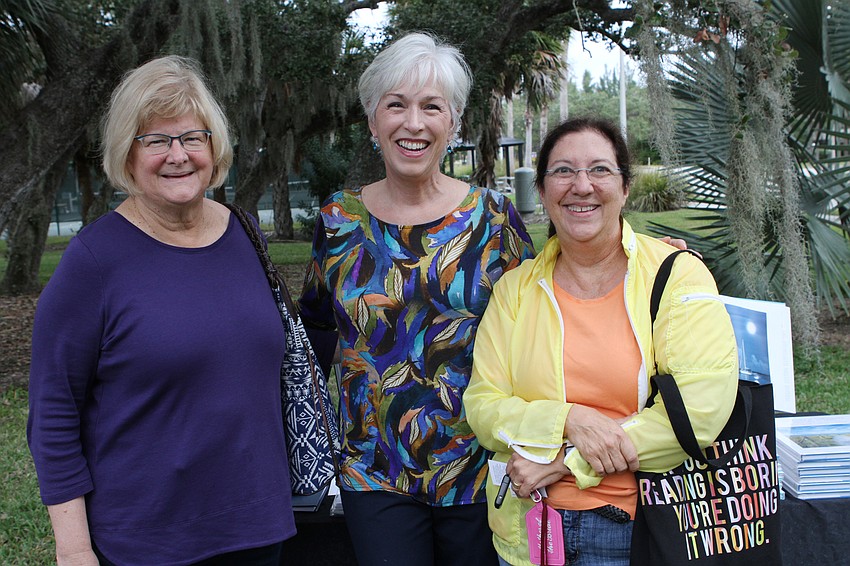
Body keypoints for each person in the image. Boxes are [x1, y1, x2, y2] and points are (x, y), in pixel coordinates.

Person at [27, 55, 295, 566]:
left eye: (193, 137)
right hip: (146, 541)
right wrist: (75, 548)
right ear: (127, 156)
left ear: (214, 148)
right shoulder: (93, 262)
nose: (179, 155)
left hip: (257, 527)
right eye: (155, 140)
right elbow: (53, 413)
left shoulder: (244, 234)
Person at [297, 32, 536, 565]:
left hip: (481, 468)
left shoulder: (494, 219)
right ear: (372, 120)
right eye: (396, 105)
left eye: (432, 107)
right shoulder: (339, 220)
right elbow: (311, 332)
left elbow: (542, 325)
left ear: (453, 124)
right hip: (373, 470)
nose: (414, 123)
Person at [463, 117, 739, 566]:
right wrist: (569, 420)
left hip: (639, 529)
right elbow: (483, 405)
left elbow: (699, 411)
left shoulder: (674, 275)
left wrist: (564, 463)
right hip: (529, 529)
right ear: (543, 189)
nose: (581, 185)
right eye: (563, 171)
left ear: (625, 188)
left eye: (600, 170)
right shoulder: (515, 290)